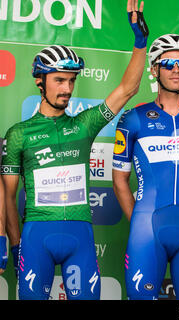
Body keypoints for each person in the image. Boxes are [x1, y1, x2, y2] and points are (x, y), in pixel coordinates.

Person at [0, 0, 148, 300]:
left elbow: (127, 90)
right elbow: (7, 196)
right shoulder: (18, 135)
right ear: (40, 82)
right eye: (59, 80)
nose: (67, 89)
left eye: (71, 81)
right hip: (35, 237)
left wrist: (140, 42)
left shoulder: (84, 125)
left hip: (79, 237)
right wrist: (11, 243)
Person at [112, 34, 179, 300]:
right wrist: (138, 220)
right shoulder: (133, 118)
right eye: (168, 63)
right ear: (154, 69)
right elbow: (119, 180)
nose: (176, 70)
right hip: (146, 228)